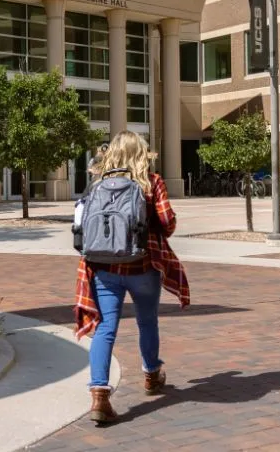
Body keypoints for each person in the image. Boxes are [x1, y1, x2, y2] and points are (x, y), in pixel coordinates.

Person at [73, 131, 190, 425]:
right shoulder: (152, 182)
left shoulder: (97, 183)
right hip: (142, 265)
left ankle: (99, 395)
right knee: (147, 321)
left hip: (103, 267)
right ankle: (151, 375)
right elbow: (167, 222)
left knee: (105, 329)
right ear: (141, 154)